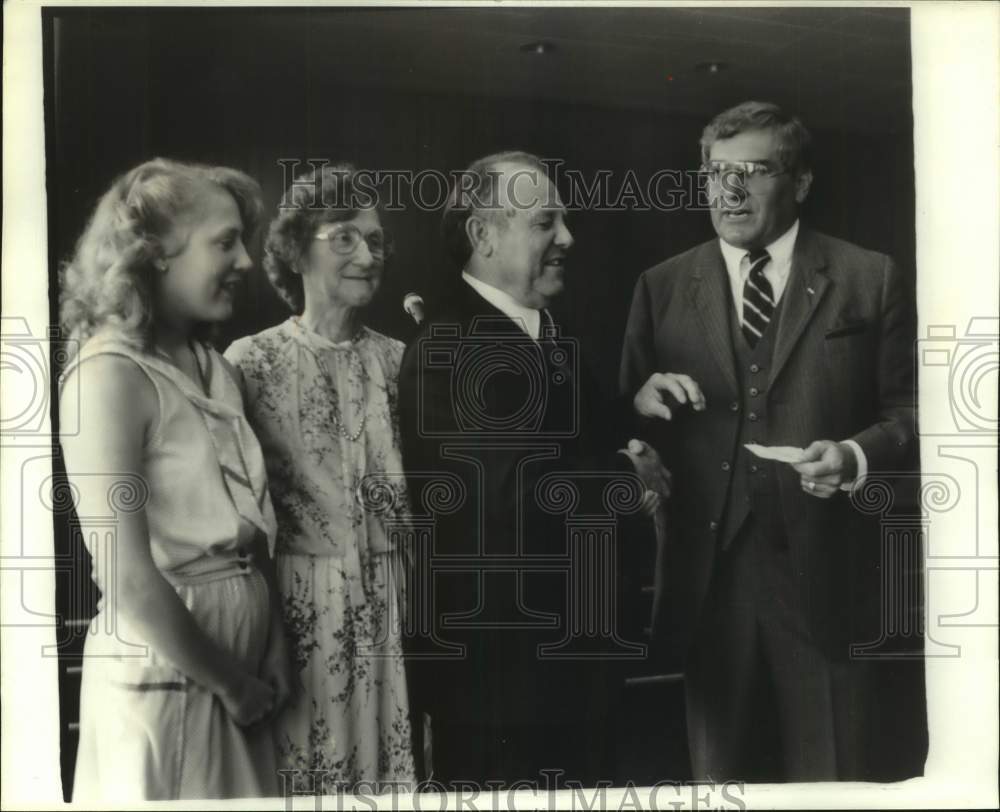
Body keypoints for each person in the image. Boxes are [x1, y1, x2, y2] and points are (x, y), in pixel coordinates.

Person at [619, 101, 919, 781]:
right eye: (716, 173)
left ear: (801, 182)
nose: (728, 192)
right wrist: (639, 407)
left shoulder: (869, 277)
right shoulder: (661, 286)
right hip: (707, 582)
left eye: (752, 172)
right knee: (715, 784)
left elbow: (912, 410)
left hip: (826, 575)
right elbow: (624, 430)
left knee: (834, 779)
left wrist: (857, 455)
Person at [398, 151, 668, 788]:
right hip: (504, 689)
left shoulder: (548, 332)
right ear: (483, 235)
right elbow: (509, 495)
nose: (568, 239)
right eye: (545, 222)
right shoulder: (446, 348)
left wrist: (631, 408)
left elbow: (554, 441)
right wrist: (627, 476)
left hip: (578, 671)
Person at [58, 158, 290, 800]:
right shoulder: (108, 377)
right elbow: (128, 580)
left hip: (238, 671)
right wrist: (232, 682)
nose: (245, 260)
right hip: (174, 671)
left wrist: (271, 645)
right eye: (224, 241)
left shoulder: (216, 369)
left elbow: (253, 523)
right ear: (154, 253)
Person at [224, 165, 416, 793]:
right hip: (298, 606)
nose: (368, 254)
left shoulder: (402, 361)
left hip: (395, 601)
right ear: (295, 249)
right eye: (345, 238)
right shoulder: (250, 362)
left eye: (376, 241)